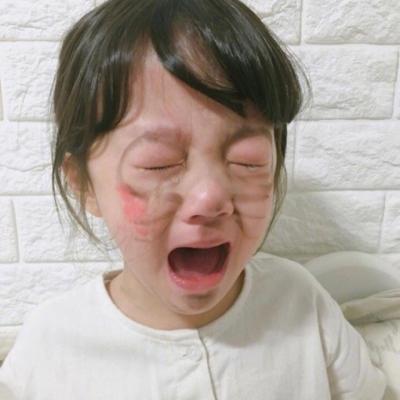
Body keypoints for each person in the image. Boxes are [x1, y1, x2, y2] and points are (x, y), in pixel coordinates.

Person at [0, 0, 387, 398]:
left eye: (248, 160)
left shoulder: (299, 301)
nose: (210, 196)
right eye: (159, 163)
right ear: (84, 184)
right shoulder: (49, 349)